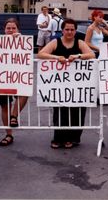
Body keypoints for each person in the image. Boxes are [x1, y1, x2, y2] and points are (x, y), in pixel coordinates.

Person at [38, 18, 95, 149]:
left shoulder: (79, 43)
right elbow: (41, 54)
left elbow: (91, 55)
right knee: (60, 111)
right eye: (67, 29)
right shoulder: (55, 42)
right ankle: (58, 138)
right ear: (62, 30)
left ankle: (73, 138)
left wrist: (78, 56)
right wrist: (56, 57)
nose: (69, 32)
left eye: (72, 29)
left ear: (75, 31)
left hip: (78, 85)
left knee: (78, 111)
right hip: (60, 85)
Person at [0, 18, 29, 146]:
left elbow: (27, 57)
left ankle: (14, 116)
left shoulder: (23, 41)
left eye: (13, 28)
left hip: (18, 76)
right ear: (4, 30)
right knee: (5, 106)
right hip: (2, 78)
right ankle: (8, 134)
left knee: (24, 94)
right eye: (8, 28)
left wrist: (20, 41)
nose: (10, 30)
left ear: (18, 29)